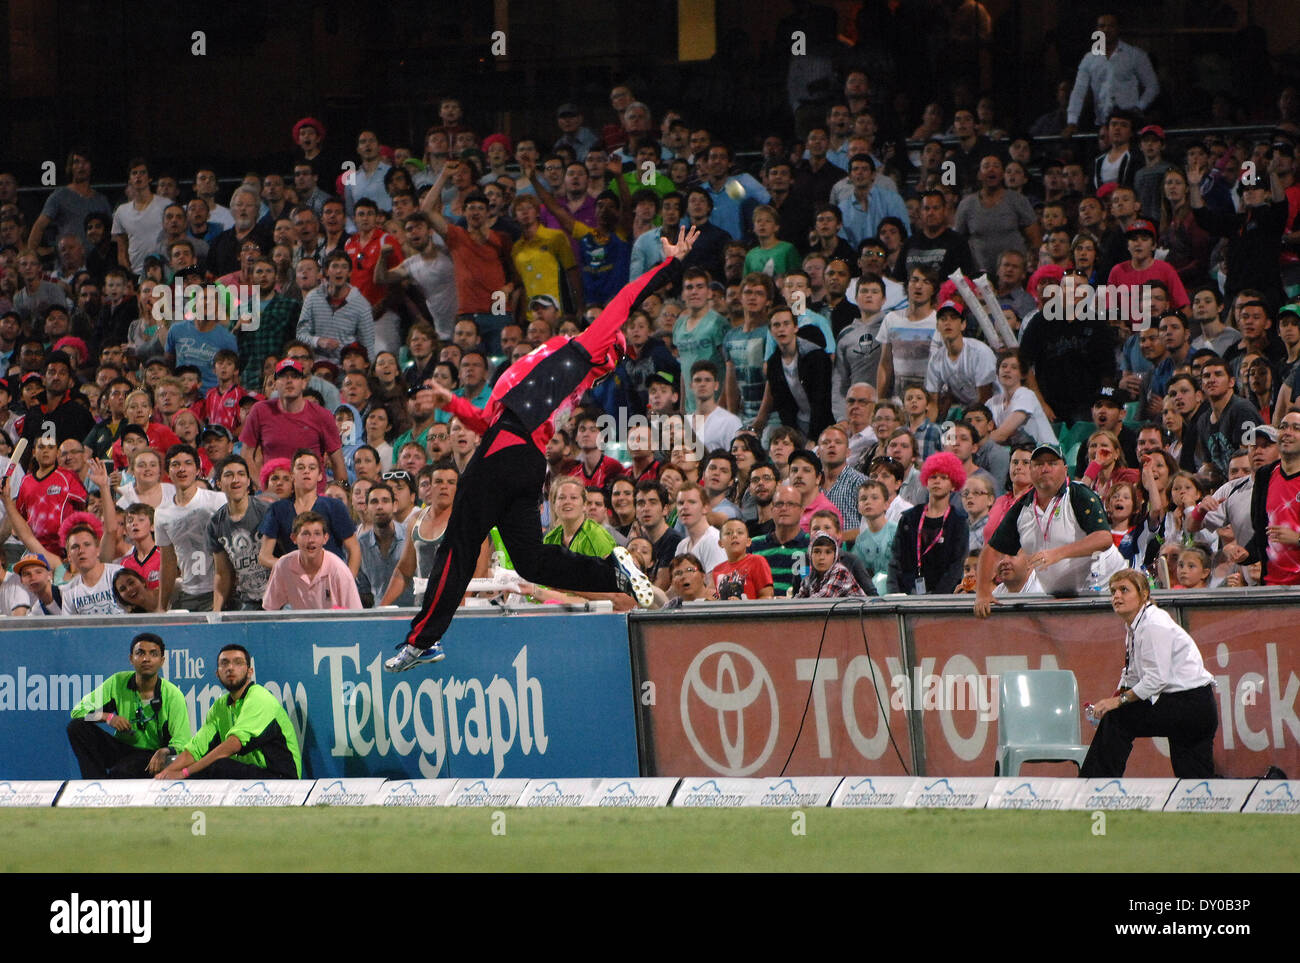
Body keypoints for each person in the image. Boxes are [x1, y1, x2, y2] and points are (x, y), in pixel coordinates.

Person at [383, 230, 698, 672]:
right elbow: (487, 419)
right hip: (524, 460)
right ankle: (614, 571)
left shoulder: (583, 353)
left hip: (505, 452)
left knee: (458, 543)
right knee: (533, 562)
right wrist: (453, 403)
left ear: (608, 349)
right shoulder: (552, 368)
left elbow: (627, 296)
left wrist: (671, 264)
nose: (605, 330)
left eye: (611, 335)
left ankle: (422, 639)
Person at [1079, 570, 1217, 779]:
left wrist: (1118, 702)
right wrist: (1115, 698)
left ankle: (1094, 787)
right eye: (1113, 591)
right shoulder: (1137, 624)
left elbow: (1156, 680)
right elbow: (1132, 675)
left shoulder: (1153, 623)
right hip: (1193, 704)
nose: (1117, 596)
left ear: (1144, 594)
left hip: (1190, 704)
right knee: (1195, 782)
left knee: (1117, 719)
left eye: (1124, 590)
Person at [974, 442, 1115, 612]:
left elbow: (1104, 538)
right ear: (1031, 471)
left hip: (1101, 594)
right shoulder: (1022, 508)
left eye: (1052, 463)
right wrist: (982, 592)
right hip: (1058, 598)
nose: (1045, 468)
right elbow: (991, 550)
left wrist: (1058, 553)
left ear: (1064, 468)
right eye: (1039, 464)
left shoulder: (1078, 494)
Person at [156, 644, 302, 780]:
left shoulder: (259, 697)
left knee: (217, 766)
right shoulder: (220, 706)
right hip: (252, 776)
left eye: (238, 663)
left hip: (283, 778)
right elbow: (195, 750)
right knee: (202, 765)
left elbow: (233, 745)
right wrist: (165, 774)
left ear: (250, 671)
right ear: (217, 673)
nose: (230, 668)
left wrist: (184, 773)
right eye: (224, 663)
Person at [67, 632, 190, 779]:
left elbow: (182, 741)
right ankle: (95, 785)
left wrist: (164, 751)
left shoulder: (173, 695)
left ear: (162, 661)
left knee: (120, 773)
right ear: (131, 659)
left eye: (153, 654)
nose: (146, 659)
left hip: (152, 756)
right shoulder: (117, 682)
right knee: (77, 727)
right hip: (121, 748)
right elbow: (78, 712)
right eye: (140, 653)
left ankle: (107, 787)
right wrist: (108, 717)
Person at [888, 452, 970, 595]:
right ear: (926, 481)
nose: (937, 481)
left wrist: (939, 597)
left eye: (944, 477)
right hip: (906, 596)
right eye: (933, 477)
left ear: (953, 484)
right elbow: (896, 561)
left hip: (945, 599)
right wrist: (895, 594)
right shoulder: (909, 518)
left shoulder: (958, 522)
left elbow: (956, 567)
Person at [262, 511, 363, 610]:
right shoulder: (283, 565)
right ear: (294, 538)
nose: (311, 540)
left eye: (317, 534)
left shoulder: (339, 570)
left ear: (325, 538)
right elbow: (270, 608)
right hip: (299, 625)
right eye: (305, 534)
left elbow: (355, 615)